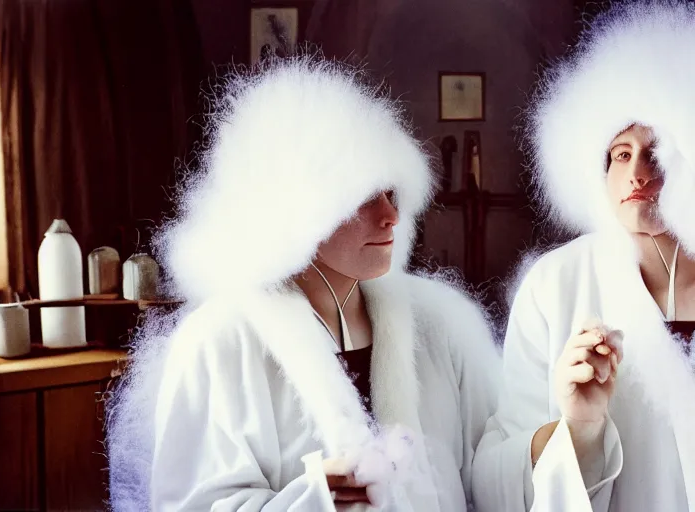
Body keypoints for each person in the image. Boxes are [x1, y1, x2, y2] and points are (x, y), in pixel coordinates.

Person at [105, 55, 500, 511]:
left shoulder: (440, 321)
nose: (391, 216)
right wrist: (315, 500)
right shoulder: (220, 342)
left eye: (392, 193)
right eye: (364, 197)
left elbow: (491, 469)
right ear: (298, 210)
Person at [472, 2, 695, 511]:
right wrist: (579, 429)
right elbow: (493, 478)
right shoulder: (555, 286)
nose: (639, 173)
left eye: (658, 151)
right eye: (622, 153)